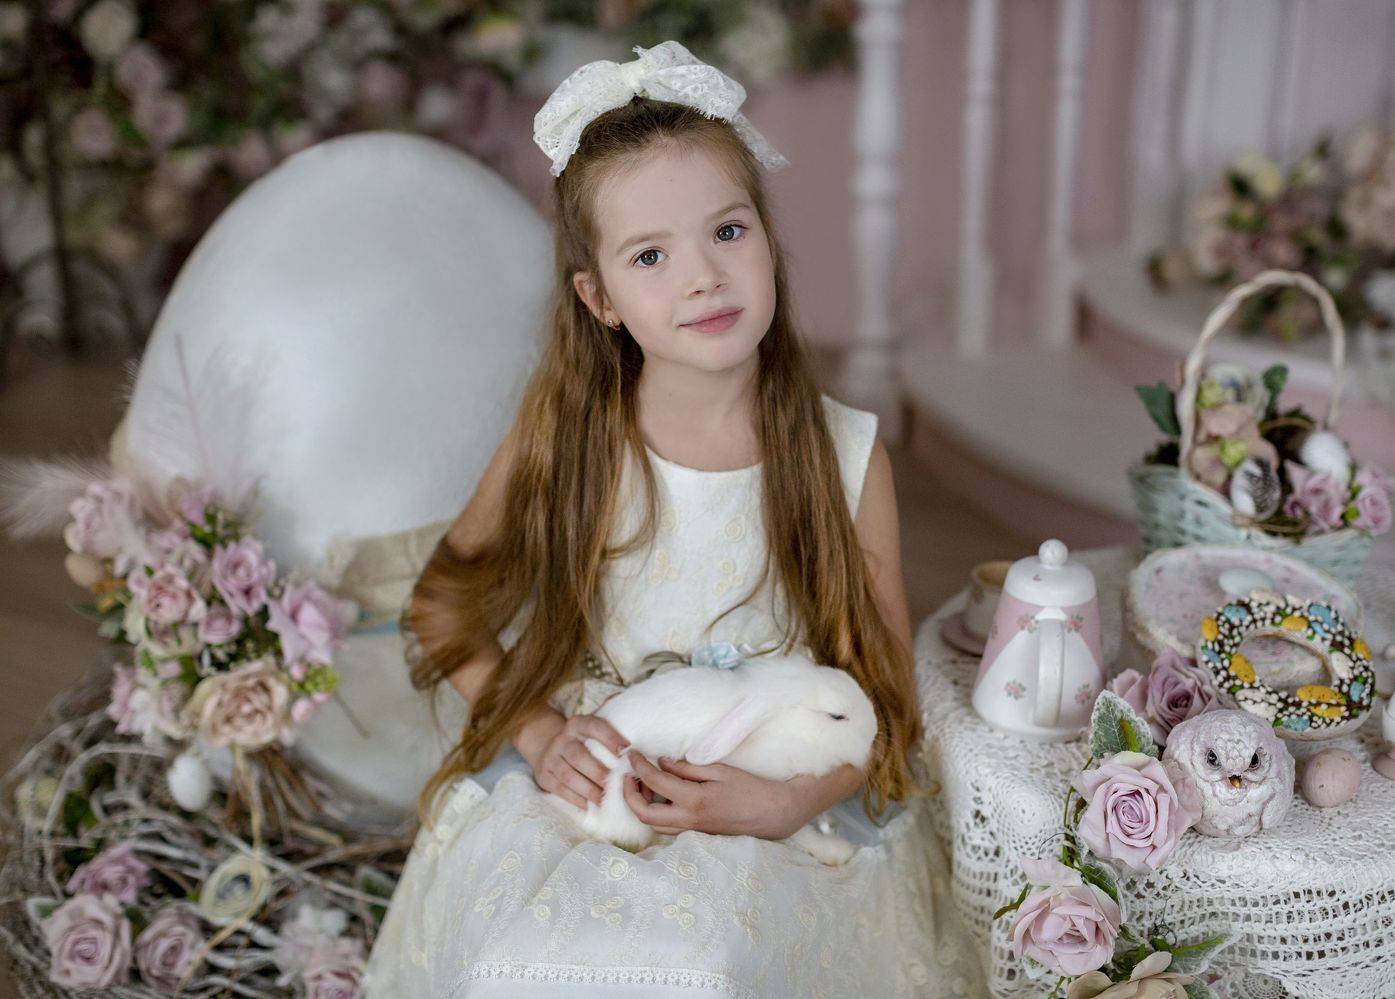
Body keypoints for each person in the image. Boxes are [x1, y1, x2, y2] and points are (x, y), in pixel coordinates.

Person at [364, 40, 982, 997]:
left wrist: (788, 800)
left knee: (713, 963)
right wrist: (538, 734)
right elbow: (440, 609)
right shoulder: (565, 439)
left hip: (775, 795)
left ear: (768, 240)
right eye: (651, 255)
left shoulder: (847, 456)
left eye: (728, 231)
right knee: (532, 960)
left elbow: (885, 692)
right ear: (600, 298)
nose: (702, 276)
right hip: (599, 781)